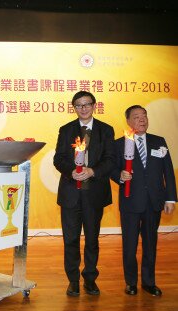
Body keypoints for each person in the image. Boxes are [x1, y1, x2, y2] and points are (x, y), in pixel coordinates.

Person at [53, 91, 115, 297]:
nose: (83, 108)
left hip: (94, 192)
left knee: (92, 239)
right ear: (74, 108)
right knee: (70, 239)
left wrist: (92, 171)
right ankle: (73, 280)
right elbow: (59, 159)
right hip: (71, 192)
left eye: (87, 104)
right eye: (79, 105)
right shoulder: (66, 130)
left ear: (94, 105)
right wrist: (71, 171)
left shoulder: (106, 130)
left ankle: (90, 278)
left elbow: (110, 159)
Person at [110, 105, 176, 296]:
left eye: (144, 116)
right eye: (137, 117)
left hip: (154, 201)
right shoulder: (119, 144)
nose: (142, 120)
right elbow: (112, 169)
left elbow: (168, 172)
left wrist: (170, 198)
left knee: (150, 244)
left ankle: (149, 282)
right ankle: (130, 282)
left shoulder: (158, 141)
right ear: (128, 121)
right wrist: (120, 176)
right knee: (129, 246)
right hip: (131, 201)